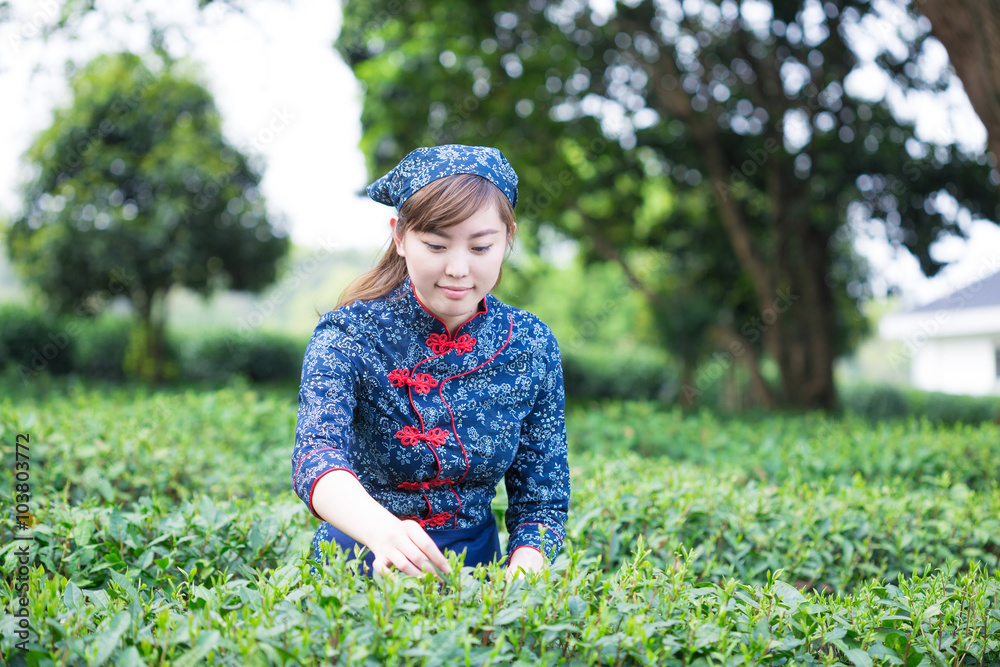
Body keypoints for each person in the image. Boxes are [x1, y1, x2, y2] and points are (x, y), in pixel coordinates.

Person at [291, 144, 570, 580]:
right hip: (358, 563)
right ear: (400, 236)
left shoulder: (530, 345)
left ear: (507, 238)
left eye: (480, 248)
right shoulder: (349, 335)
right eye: (436, 245)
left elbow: (542, 495)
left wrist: (519, 582)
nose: (458, 269)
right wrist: (383, 532)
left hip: (476, 574)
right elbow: (316, 457)